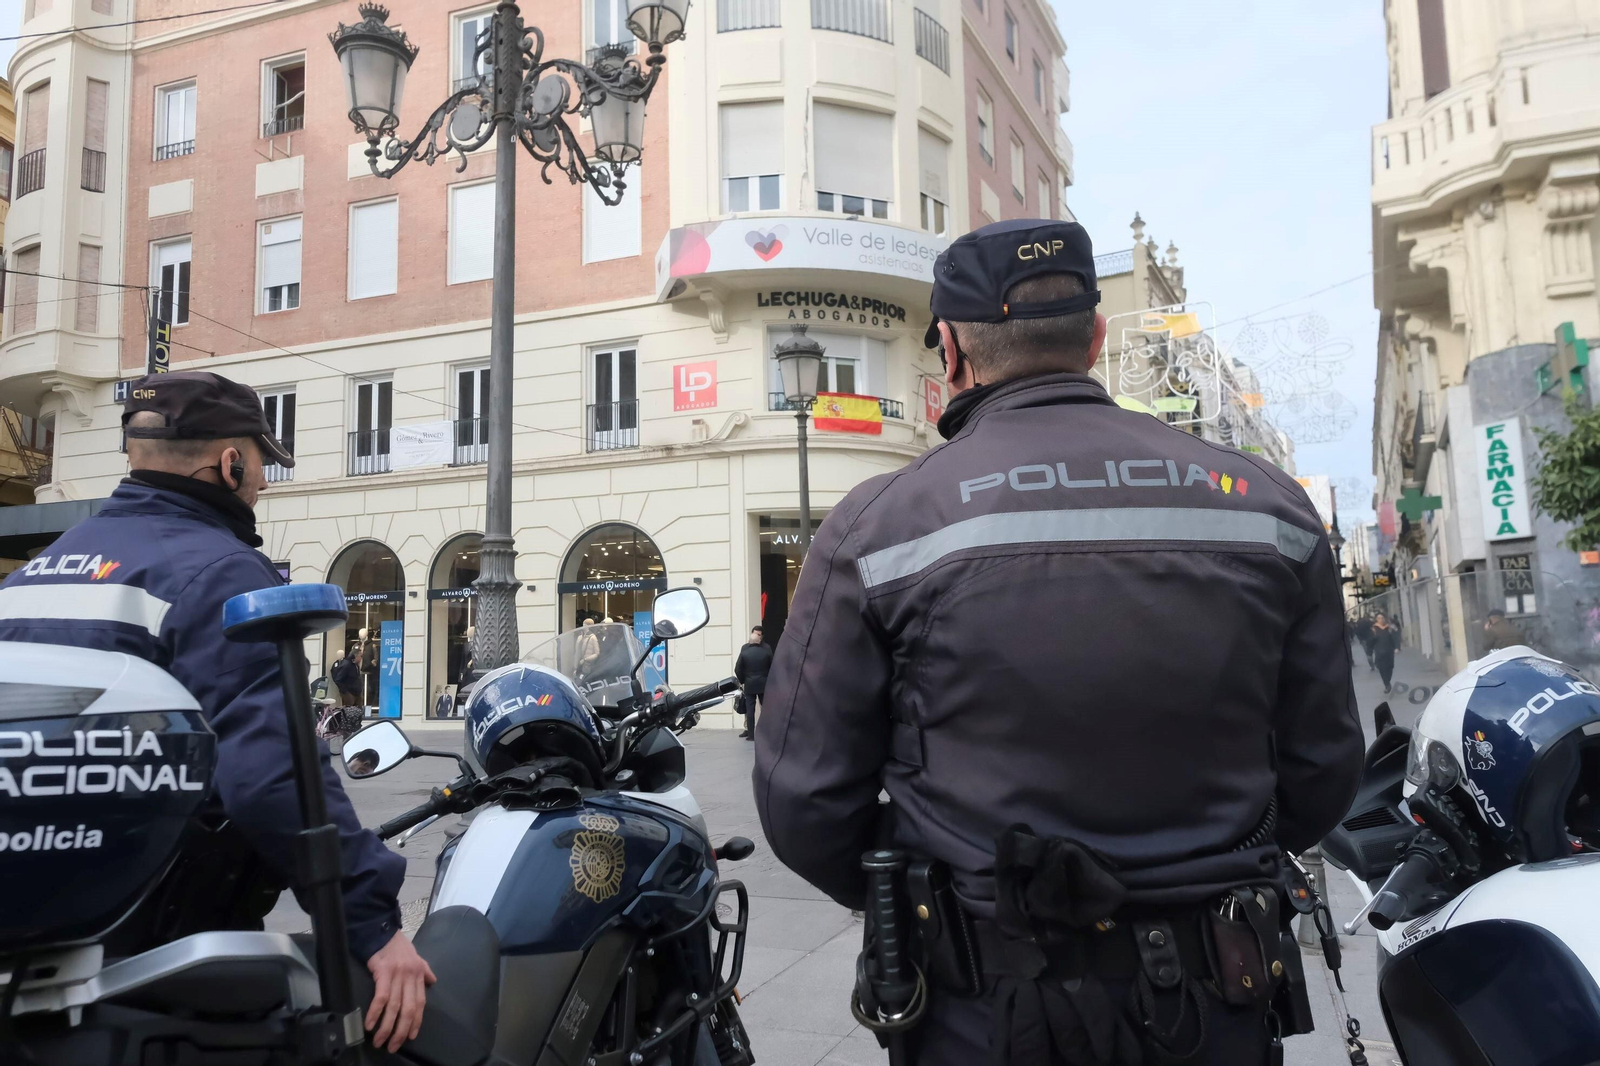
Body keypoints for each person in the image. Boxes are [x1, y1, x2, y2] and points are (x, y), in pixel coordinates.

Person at [753, 219, 1363, 1065]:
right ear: (1096, 337)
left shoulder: (880, 525)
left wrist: (938, 887)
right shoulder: (1268, 506)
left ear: (951, 350)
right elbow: (1322, 768)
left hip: (986, 1011)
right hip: (1217, 998)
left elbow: (804, 801)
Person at [0, 371, 432, 1053]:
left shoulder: (38, 569)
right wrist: (373, 924)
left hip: (38, 936)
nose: (261, 482)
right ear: (230, 463)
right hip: (161, 947)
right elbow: (272, 773)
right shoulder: (220, 572)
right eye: (259, 462)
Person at [733, 626, 773, 740]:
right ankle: (767, 732)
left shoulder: (745, 651)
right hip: (763, 683)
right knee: (766, 708)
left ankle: (751, 734)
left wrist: (743, 680)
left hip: (749, 683)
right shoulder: (765, 651)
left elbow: (738, 668)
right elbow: (772, 666)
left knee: (750, 709)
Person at [1371, 612, 1401, 693]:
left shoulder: (1390, 628)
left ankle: (1388, 681)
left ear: (1385, 619)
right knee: (1381, 668)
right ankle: (1387, 684)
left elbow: (1395, 638)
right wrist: (1370, 649)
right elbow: (1371, 641)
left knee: (1389, 667)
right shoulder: (1374, 629)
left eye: (1382, 618)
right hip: (1379, 652)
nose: (1380, 620)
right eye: (1378, 618)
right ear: (1376, 619)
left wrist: (1397, 647)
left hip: (1389, 651)